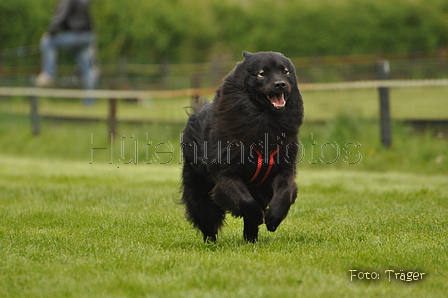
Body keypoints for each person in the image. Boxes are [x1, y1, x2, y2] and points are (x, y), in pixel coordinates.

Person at [36, 0, 98, 105]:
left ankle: (48, 74)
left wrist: (50, 32)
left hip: (77, 34)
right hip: (88, 36)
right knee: (87, 69)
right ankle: (89, 102)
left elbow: (61, 16)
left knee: (47, 42)